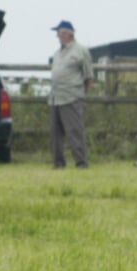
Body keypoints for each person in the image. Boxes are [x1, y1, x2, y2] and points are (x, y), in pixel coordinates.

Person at [47, 20, 92, 168]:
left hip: (72, 96)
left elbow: (88, 77)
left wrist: (81, 95)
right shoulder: (57, 53)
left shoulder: (81, 51)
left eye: (59, 33)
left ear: (68, 34)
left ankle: (81, 162)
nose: (57, 36)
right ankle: (58, 163)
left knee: (75, 132)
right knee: (55, 134)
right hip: (55, 98)